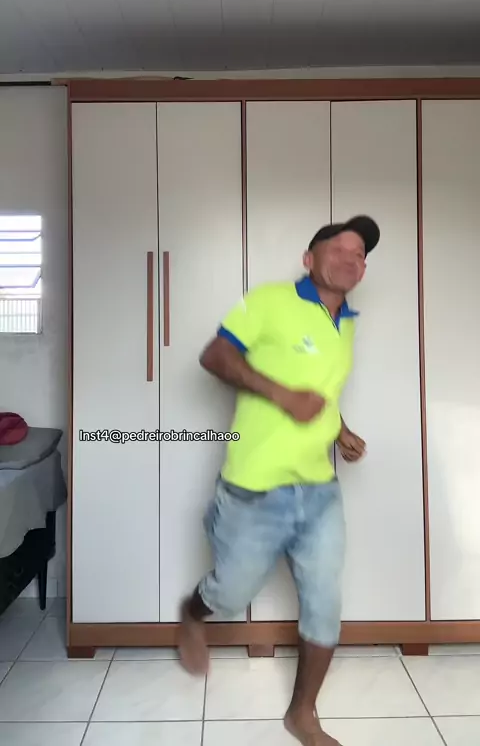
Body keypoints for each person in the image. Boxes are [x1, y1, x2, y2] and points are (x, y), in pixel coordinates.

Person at [178, 215, 380, 746]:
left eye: (360, 255)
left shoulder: (347, 323)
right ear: (309, 260)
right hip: (254, 487)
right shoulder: (270, 300)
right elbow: (215, 355)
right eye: (339, 249)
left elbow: (323, 391)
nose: (351, 259)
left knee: (324, 602)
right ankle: (192, 613)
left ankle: (302, 714)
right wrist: (281, 395)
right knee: (230, 592)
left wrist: (340, 429)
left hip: (319, 490)